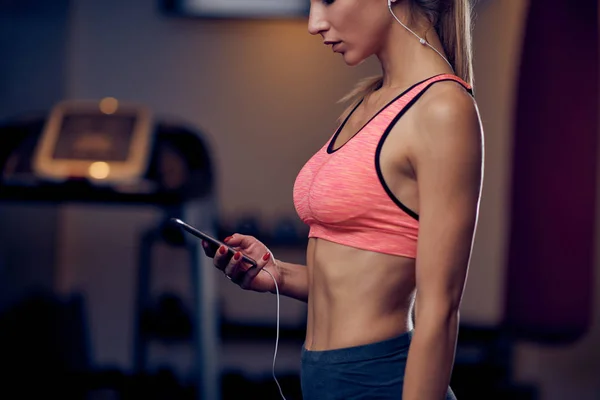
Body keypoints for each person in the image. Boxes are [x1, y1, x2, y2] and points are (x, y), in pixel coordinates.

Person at [204, 0, 483, 398]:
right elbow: (362, 277)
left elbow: (440, 310)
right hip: (325, 380)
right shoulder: (368, 102)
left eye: (329, 0)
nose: (314, 23)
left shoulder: (442, 109)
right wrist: (278, 274)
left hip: (381, 383)